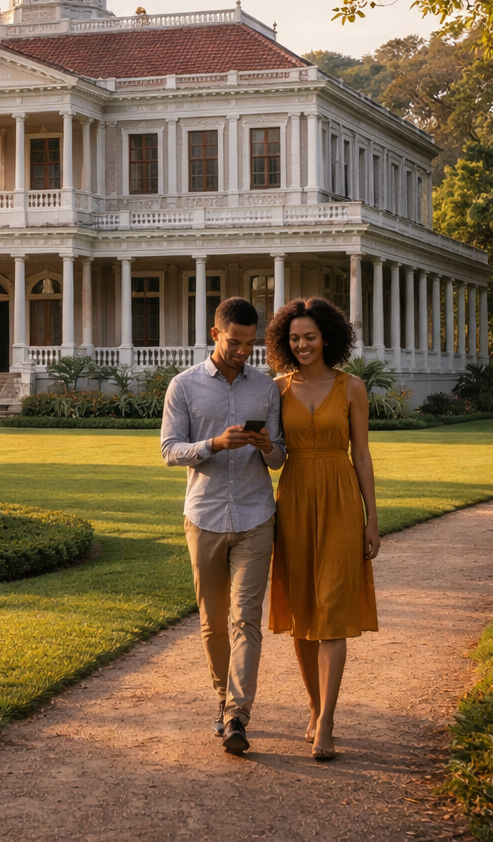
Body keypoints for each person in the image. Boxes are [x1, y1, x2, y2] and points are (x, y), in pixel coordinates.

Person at [161, 297, 286, 756]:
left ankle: (237, 715)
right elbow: (169, 450)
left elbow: (279, 459)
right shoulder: (184, 386)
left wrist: (266, 445)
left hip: (256, 515)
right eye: (235, 342)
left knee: (246, 620)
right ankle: (223, 699)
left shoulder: (267, 389)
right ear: (216, 334)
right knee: (213, 623)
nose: (242, 352)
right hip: (206, 516)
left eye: (250, 344)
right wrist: (214, 443)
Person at [264, 297, 380, 761]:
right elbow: (271, 453)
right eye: (294, 338)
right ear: (284, 343)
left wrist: (373, 518)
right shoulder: (277, 389)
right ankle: (313, 706)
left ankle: (327, 720)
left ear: (326, 337)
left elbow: (363, 455)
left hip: (339, 501)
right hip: (293, 501)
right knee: (302, 613)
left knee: (332, 610)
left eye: (309, 336)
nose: (302, 344)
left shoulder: (351, 387)